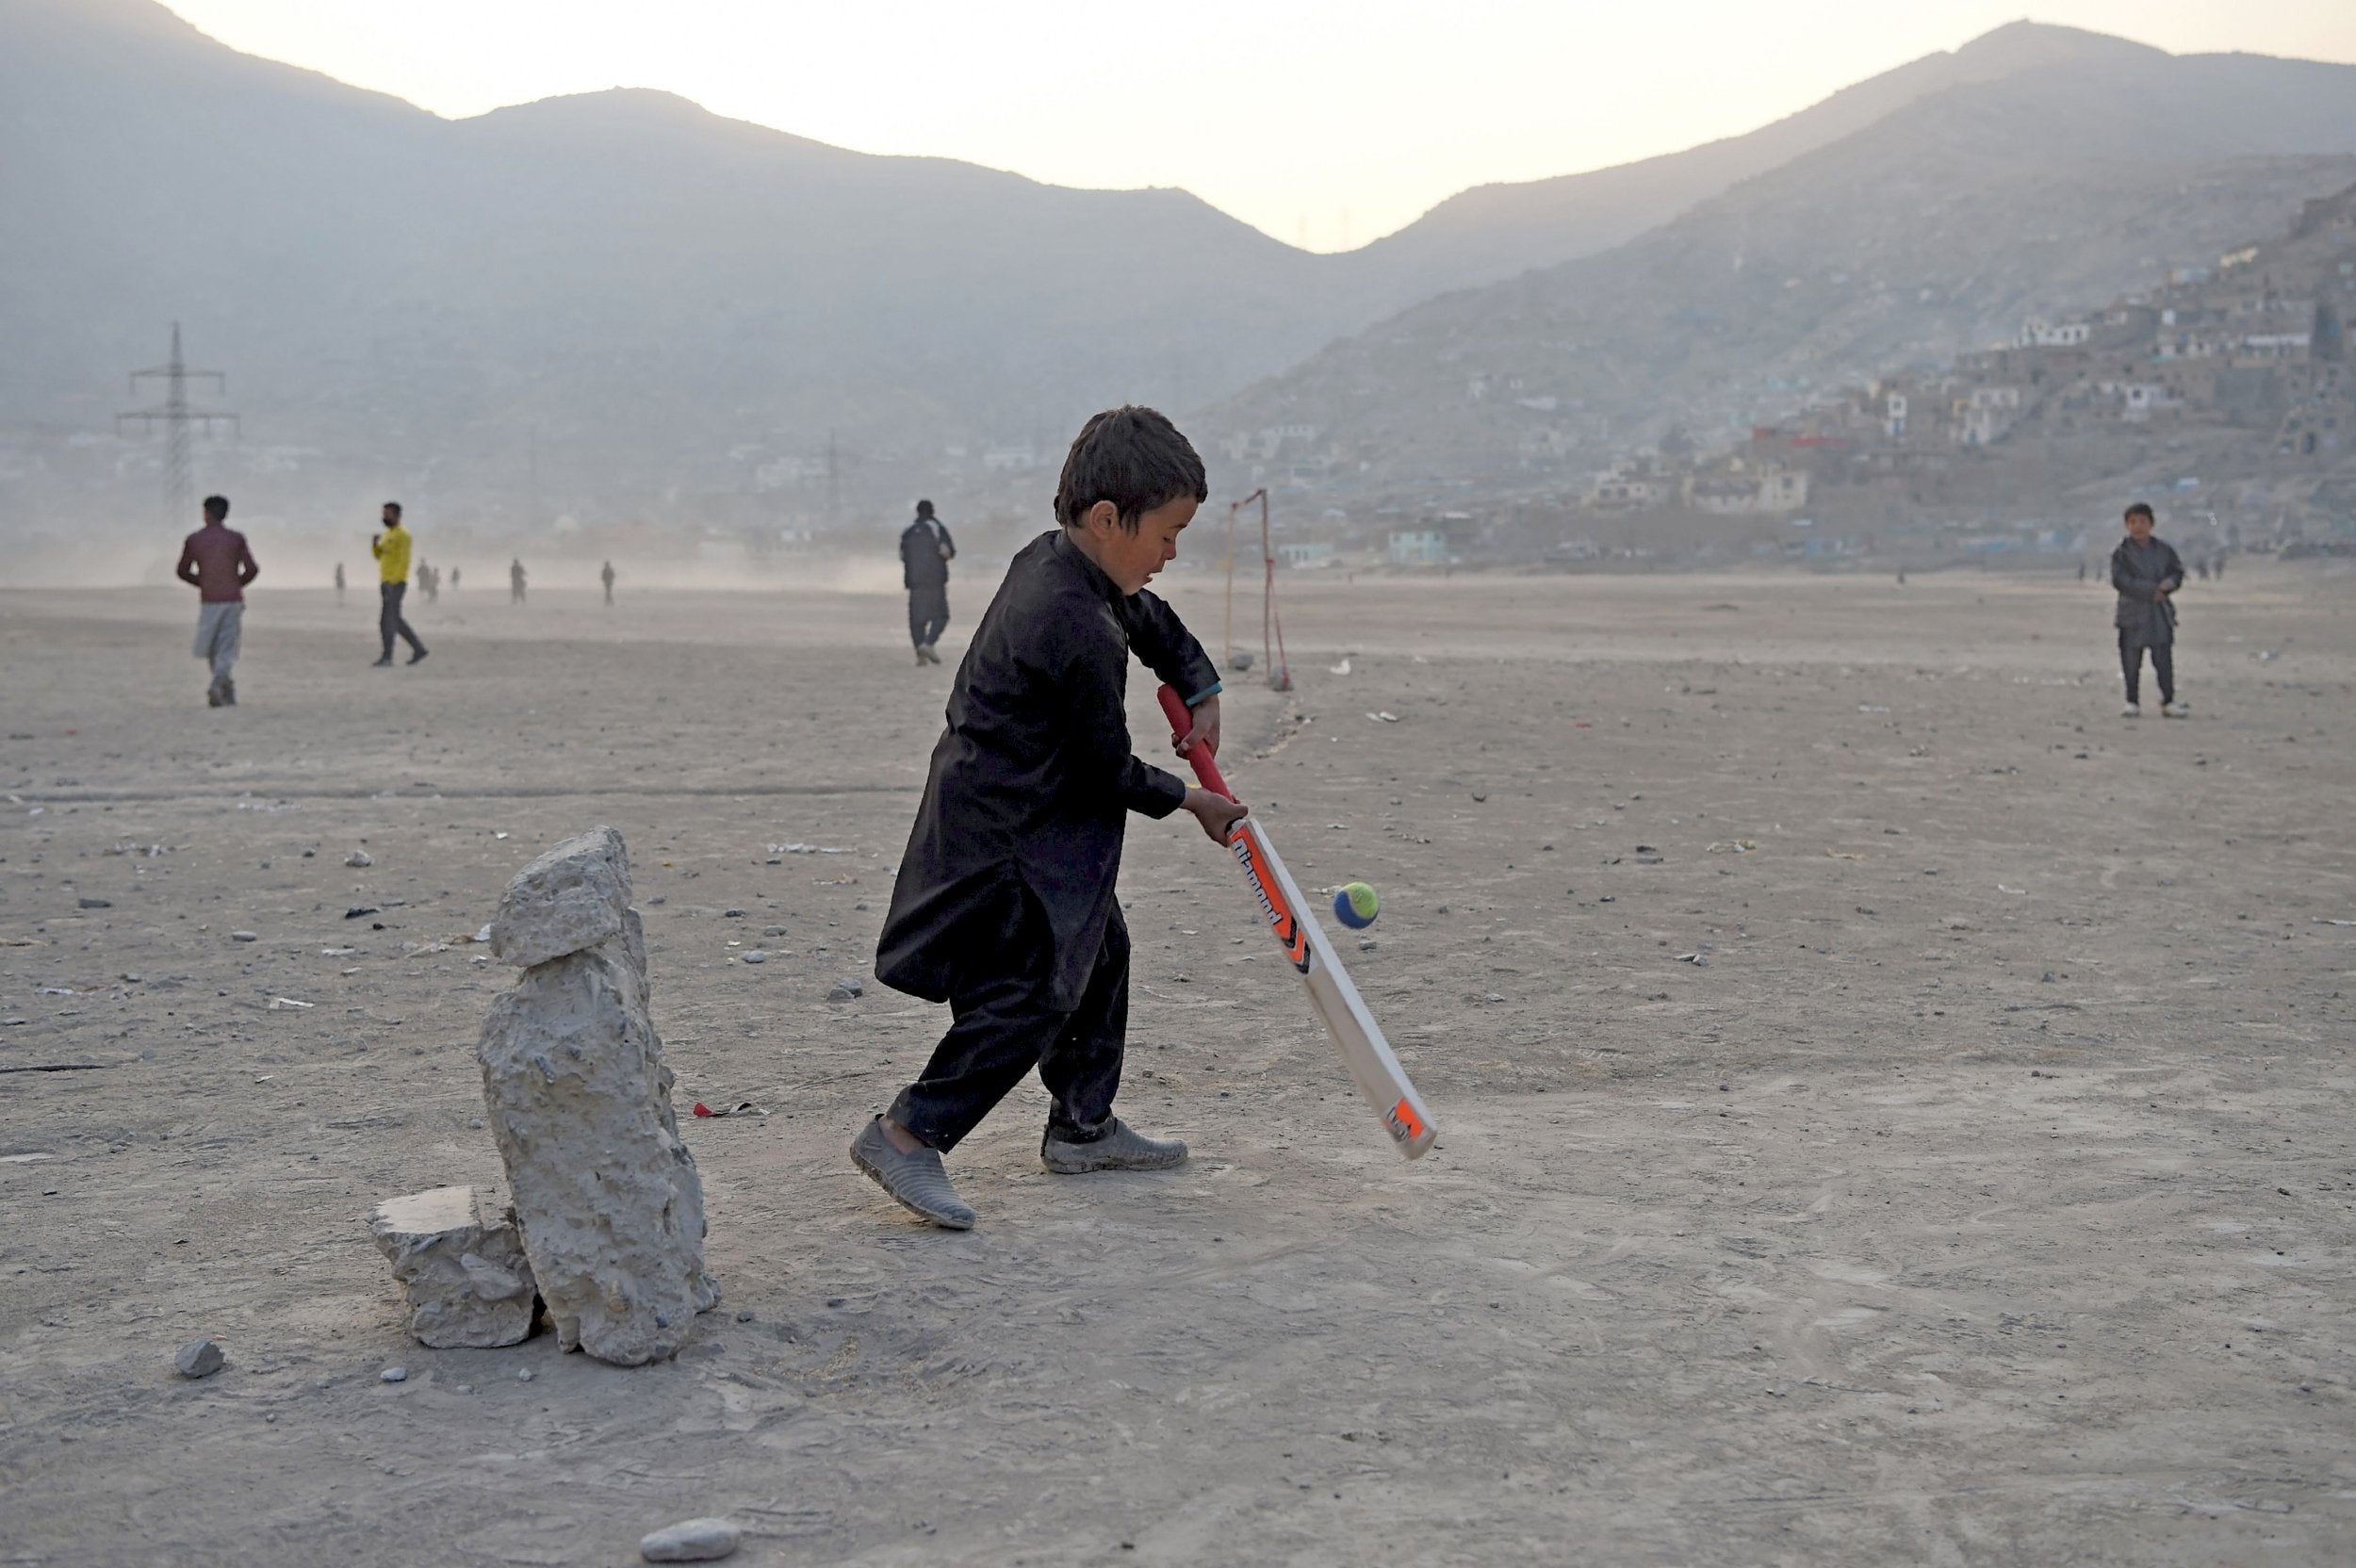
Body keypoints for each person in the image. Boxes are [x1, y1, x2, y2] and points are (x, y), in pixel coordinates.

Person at [854, 407, 1249, 1229]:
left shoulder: (1069, 563)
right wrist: (1194, 802)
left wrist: (1200, 688)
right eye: (1168, 534)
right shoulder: (1067, 621)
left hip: (1035, 820)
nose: (1174, 553)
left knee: (1103, 946)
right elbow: (1100, 768)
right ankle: (907, 1131)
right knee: (1034, 990)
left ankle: (1083, 1126)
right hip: (1002, 833)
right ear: (1108, 519)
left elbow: (1146, 617)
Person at [175, 494, 257, 707]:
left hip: (209, 600)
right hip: (232, 599)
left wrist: (202, 582)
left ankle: (221, 685)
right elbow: (252, 569)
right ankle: (223, 685)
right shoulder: (235, 539)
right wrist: (237, 583)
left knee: (212, 646)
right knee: (227, 645)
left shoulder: (195, 540)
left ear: (206, 514)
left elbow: (182, 570)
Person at [2111, 501, 2184, 718]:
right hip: (2131, 614)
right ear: (2126, 525)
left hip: (2159, 614)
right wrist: (2152, 590)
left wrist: (2168, 586)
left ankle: (2168, 701)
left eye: (2142, 521)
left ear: (2151, 524)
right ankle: (2132, 701)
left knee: (2163, 660)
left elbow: (2177, 573)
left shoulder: (2164, 550)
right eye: (2132, 521)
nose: (2137, 526)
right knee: (2131, 661)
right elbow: (2120, 580)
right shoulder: (2121, 554)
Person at [370, 501, 429, 667]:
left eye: (387, 514)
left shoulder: (403, 535)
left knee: (388, 620)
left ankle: (387, 657)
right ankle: (418, 649)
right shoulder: (387, 534)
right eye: (383, 514)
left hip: (395, 583)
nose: (384, 517)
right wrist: (375, 545)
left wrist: (393, 582)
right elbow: (379, 557)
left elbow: (404, 561)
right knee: (393, 619)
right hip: (385, 581)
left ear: (396, 515)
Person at [899, 499, 957, 663]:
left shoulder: (908, 531)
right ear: (933, 511)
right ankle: (928, 643)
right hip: (935, 581)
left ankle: (920, 653)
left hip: (915, 582)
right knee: (942, 615)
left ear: (917, 512)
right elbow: (947, 552)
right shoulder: (937, 528)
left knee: (917, 619)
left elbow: (902, 557)